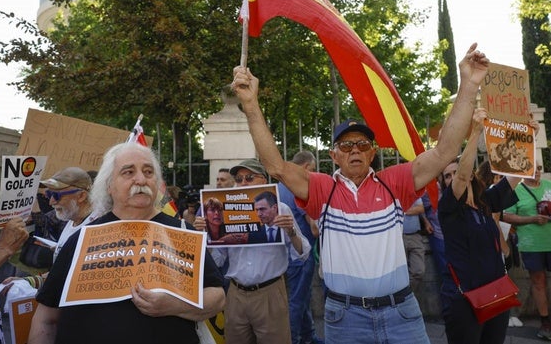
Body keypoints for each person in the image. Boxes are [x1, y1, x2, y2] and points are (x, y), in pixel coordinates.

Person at [231, 42, 490, 343]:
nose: (355, 150)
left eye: (363, 144)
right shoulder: (323, 189)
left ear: (373, 153)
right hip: (345, 319)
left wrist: (469, 85)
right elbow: (275, 166)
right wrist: (250, 105)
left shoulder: (394, 183)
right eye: (346, 145)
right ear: (334, 155)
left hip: (402, 313)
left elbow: (445, 151)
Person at [28, 143, 225, 344]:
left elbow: (217, 296)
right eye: (128, 172)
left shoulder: (183, 233)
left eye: (148, 172)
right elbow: (46, 319)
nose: (140, 179)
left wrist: (174, 305)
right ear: (109, 186)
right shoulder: (81, 239)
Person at [438, 108, 533, 344]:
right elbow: (461, 178)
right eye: (446, 176)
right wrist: (476, 130)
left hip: (496, 294)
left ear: (470, 174)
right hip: (464, 301)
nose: (453, 177)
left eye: (455, 172)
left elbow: (516, 173)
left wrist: (527, 135)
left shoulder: (486, 201)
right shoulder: (448, 208)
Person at [198, 158, 311, 344]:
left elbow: (302, 253)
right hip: (236, 293)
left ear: (264, 181)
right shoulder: (226, 214)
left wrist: (291, 232)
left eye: (249, 178)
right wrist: (205, 236)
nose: (243, 183)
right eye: (239, 179)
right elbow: (217, 259)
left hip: (270, 293)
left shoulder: (280, 210)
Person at [503, 162, 551, 340]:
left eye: (539, 168)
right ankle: (545, 323)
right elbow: (506, 215)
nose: (537, 172)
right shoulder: (516, 190)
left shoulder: (549, 186)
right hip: (531, 244)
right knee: (538, 282)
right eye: (533, 168)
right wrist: (533, 218)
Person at [279, 151, 323, 344]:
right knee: (297, 300)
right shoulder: (299, 187)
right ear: (305, 168)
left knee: (302, 298)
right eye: (312, 170)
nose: (313, 174)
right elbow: (314, 228)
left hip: (286, 253)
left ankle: (308, 336)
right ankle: (294, 340)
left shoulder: (280, 186)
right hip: (302, 254)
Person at [39, 167, 95, 261]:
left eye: (57, 196)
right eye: (49, 194)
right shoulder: (73, 218)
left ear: (81, 196)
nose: (51, 202)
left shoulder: (93, 230)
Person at [403, 198, 426, 293]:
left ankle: (407, 295)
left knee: (419, 271)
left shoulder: (412, 191)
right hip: (398, 237)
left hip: (415, 234)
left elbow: (421, 208)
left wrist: (403, 211)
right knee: (401, 274)